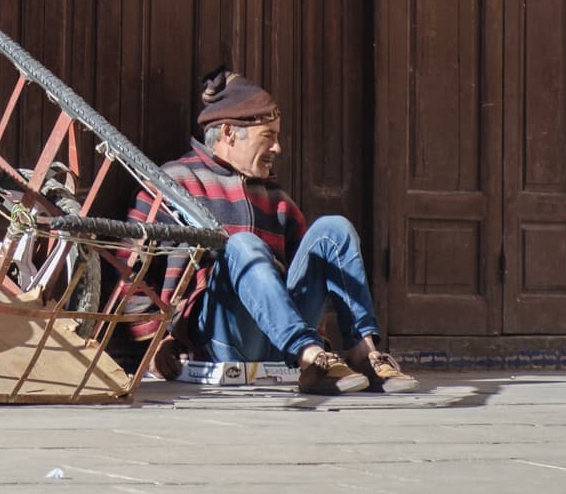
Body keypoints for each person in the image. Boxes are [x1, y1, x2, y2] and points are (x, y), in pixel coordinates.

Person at [128, 69, 417, 396]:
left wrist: (318, 334)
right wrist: (154, 343)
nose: (278, 148)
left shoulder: (278, 201)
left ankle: (363, 352)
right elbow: (129, 268)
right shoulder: (174, 183)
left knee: (333, 229)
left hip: (280, 343)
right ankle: (311, 360)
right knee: (242, 245)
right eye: (269, 136)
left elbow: (307, 281)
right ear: (228, 133)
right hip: (220, 339)